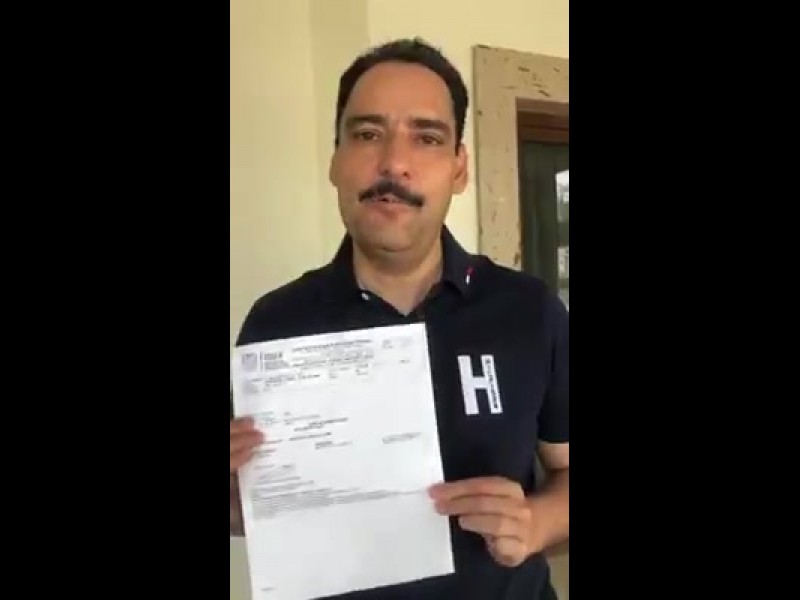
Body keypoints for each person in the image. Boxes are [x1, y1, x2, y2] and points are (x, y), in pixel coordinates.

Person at [230, 37, 569, 600]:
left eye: (427, 137)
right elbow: (250, 508)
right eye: (367, 134)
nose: (393, 162)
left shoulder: (530, 311)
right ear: (335, 160)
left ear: (459, 168)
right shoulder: (275, 323)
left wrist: (535, 523)